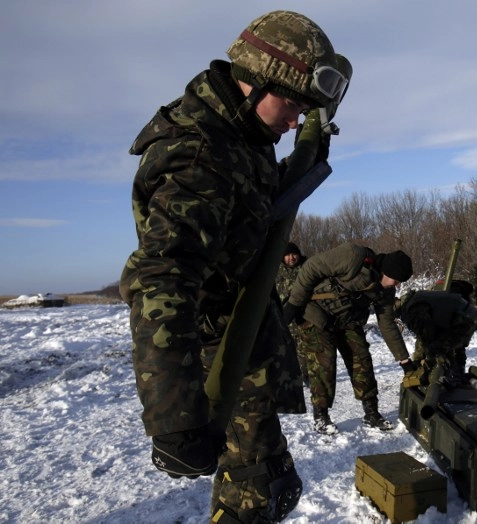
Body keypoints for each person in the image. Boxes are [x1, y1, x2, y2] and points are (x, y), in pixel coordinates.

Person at [119, 11, 349, 523]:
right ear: (256, 79)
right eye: (291, 105)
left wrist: (304, 165)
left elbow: (251, 211)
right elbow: (161, 278)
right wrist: (174, 417)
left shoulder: (242, 135)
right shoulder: (200, 154)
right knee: (256, 496)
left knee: (272, 488)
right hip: (217, 356)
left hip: (246, 346)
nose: (294, 122)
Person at [282, 242, 415, 434]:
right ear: (385, 271)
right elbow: (311, 267)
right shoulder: (353, 256)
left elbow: (387, 324)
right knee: (324, 362)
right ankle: (321, 416)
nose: (398, 285)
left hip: (347, 319)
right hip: (316, 313)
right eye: (396, 280)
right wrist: (293, 304)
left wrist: (404, 361)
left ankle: (371, 413)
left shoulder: (385, 291)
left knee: (362, 360)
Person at [276, 242, 311, 385]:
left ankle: (306, 376)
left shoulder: (307, 268)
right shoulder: (276, 271)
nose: (291, 258)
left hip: (305, 315)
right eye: (288, 255)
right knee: (287, 349)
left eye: (294, 254)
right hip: (283, 317)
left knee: (305, 349)